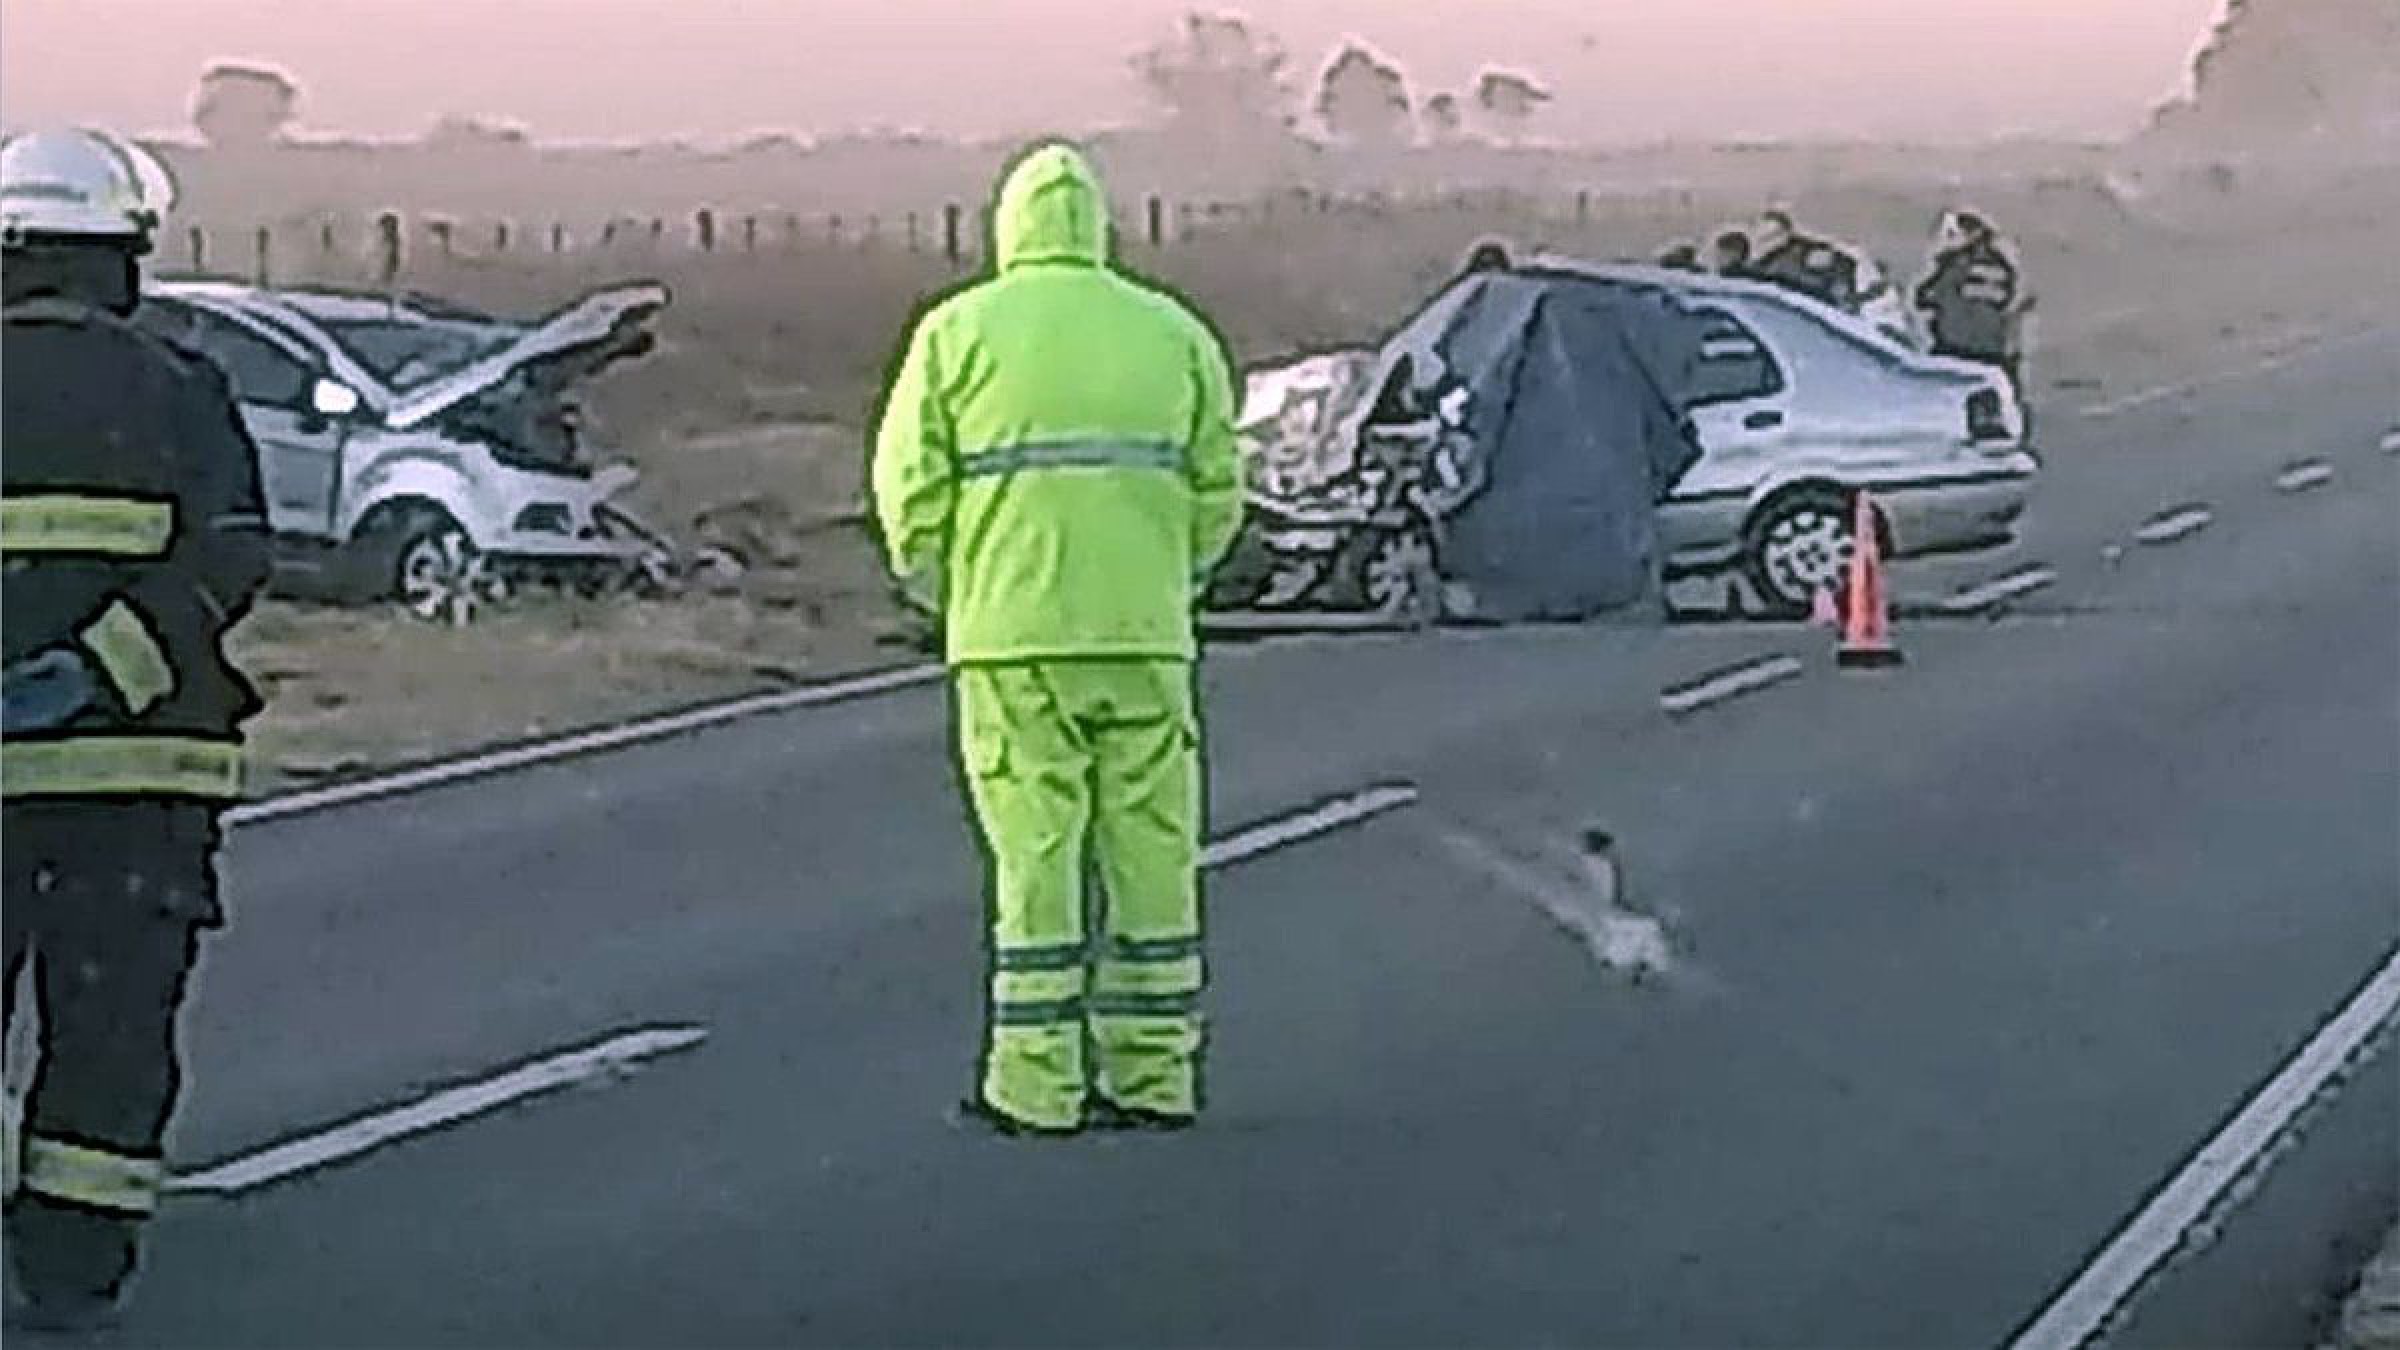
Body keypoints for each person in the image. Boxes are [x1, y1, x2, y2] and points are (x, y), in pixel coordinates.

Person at [870, 141, 1244, 1136]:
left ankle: (1034, 1086)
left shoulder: (955, 334)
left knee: (1036, 857)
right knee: (1155, 855)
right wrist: (1172, 576)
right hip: (1146, 635)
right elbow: (1221, 489)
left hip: (1011, 641)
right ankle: (1155, 1076)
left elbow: (908, 494)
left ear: (1008, 226)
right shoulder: (1174, 334)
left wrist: (950, 590)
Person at [2, 127, 271, 1333]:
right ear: (126, 254)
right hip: (143, 772)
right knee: (110, 1029)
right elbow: (231, 556)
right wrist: (99, 669)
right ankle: (72, 1268)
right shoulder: (182, 384)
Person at [1913, 210, 2028, 382]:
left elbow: (1922, 299)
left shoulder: (1953, 267)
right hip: (1992, 354)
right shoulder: (2002, 266)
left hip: (1954, 351)